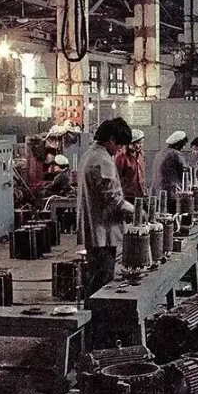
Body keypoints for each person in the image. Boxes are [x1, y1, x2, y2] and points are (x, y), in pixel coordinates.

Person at [77, 118, 135, 297]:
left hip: (96, 228)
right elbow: (113, 199)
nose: (120, 149)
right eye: (119, 145)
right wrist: (136, 211)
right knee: (102, 281)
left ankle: (92, 309)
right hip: (103, 231)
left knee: (96, 276)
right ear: (111, 139)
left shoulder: (89, 155)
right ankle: (97, 313)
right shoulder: (102, 160)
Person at [151, 131, 187, 213]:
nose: (184, 148)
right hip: (171, 194)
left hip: (156, 192)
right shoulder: (176, 154)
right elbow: (185, 173)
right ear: (178, 145)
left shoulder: (160, 153)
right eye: (183, 145)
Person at [114, 128, 147, 203]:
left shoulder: (141, 154)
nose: (139, 146)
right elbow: (116, 178)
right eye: (136, 143)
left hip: (141, 194)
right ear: (129, 143)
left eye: (141, 143)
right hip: (127, 196)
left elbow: (142, 174)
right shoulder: (121, 157)